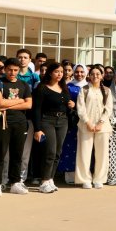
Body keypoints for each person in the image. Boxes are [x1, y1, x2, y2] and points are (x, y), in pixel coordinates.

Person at [0, 58, 33, 197]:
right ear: (5, 69)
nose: (12, 72)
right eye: (9, 69)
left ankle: (15, 183)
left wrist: (9, 103)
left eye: (15, 70)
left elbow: (28, 105)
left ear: (19, 70)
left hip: (20, 122)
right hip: (3, 122)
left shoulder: (24, 85)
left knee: (17, 154)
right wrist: (20, 100)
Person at [31, 61, 72, 194]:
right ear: (50, 73)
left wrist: (71, 104)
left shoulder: (64, 87)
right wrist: (37, 129)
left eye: (61, 72)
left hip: (63, 121)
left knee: (57, 152)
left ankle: (50, 179)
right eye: (56, 71)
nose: (60, 74)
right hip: (47, 121)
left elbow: (65, 104)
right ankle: (44, 181)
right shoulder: (42, 88)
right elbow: (36, 110)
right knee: (50, 151)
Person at [75, 66, 112, 189]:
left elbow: (108, 108)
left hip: (103, 126)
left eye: (98, 74)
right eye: (93, 74)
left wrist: (101, 122)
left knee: (102, 153)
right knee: (84, 152)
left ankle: (99, 179)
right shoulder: (84, 90)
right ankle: (85, 179)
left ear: (102, 76)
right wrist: (88, 122)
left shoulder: (107, 90)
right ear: (89, 76)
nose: (95, 76)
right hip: (86, 126)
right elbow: (80, 108)